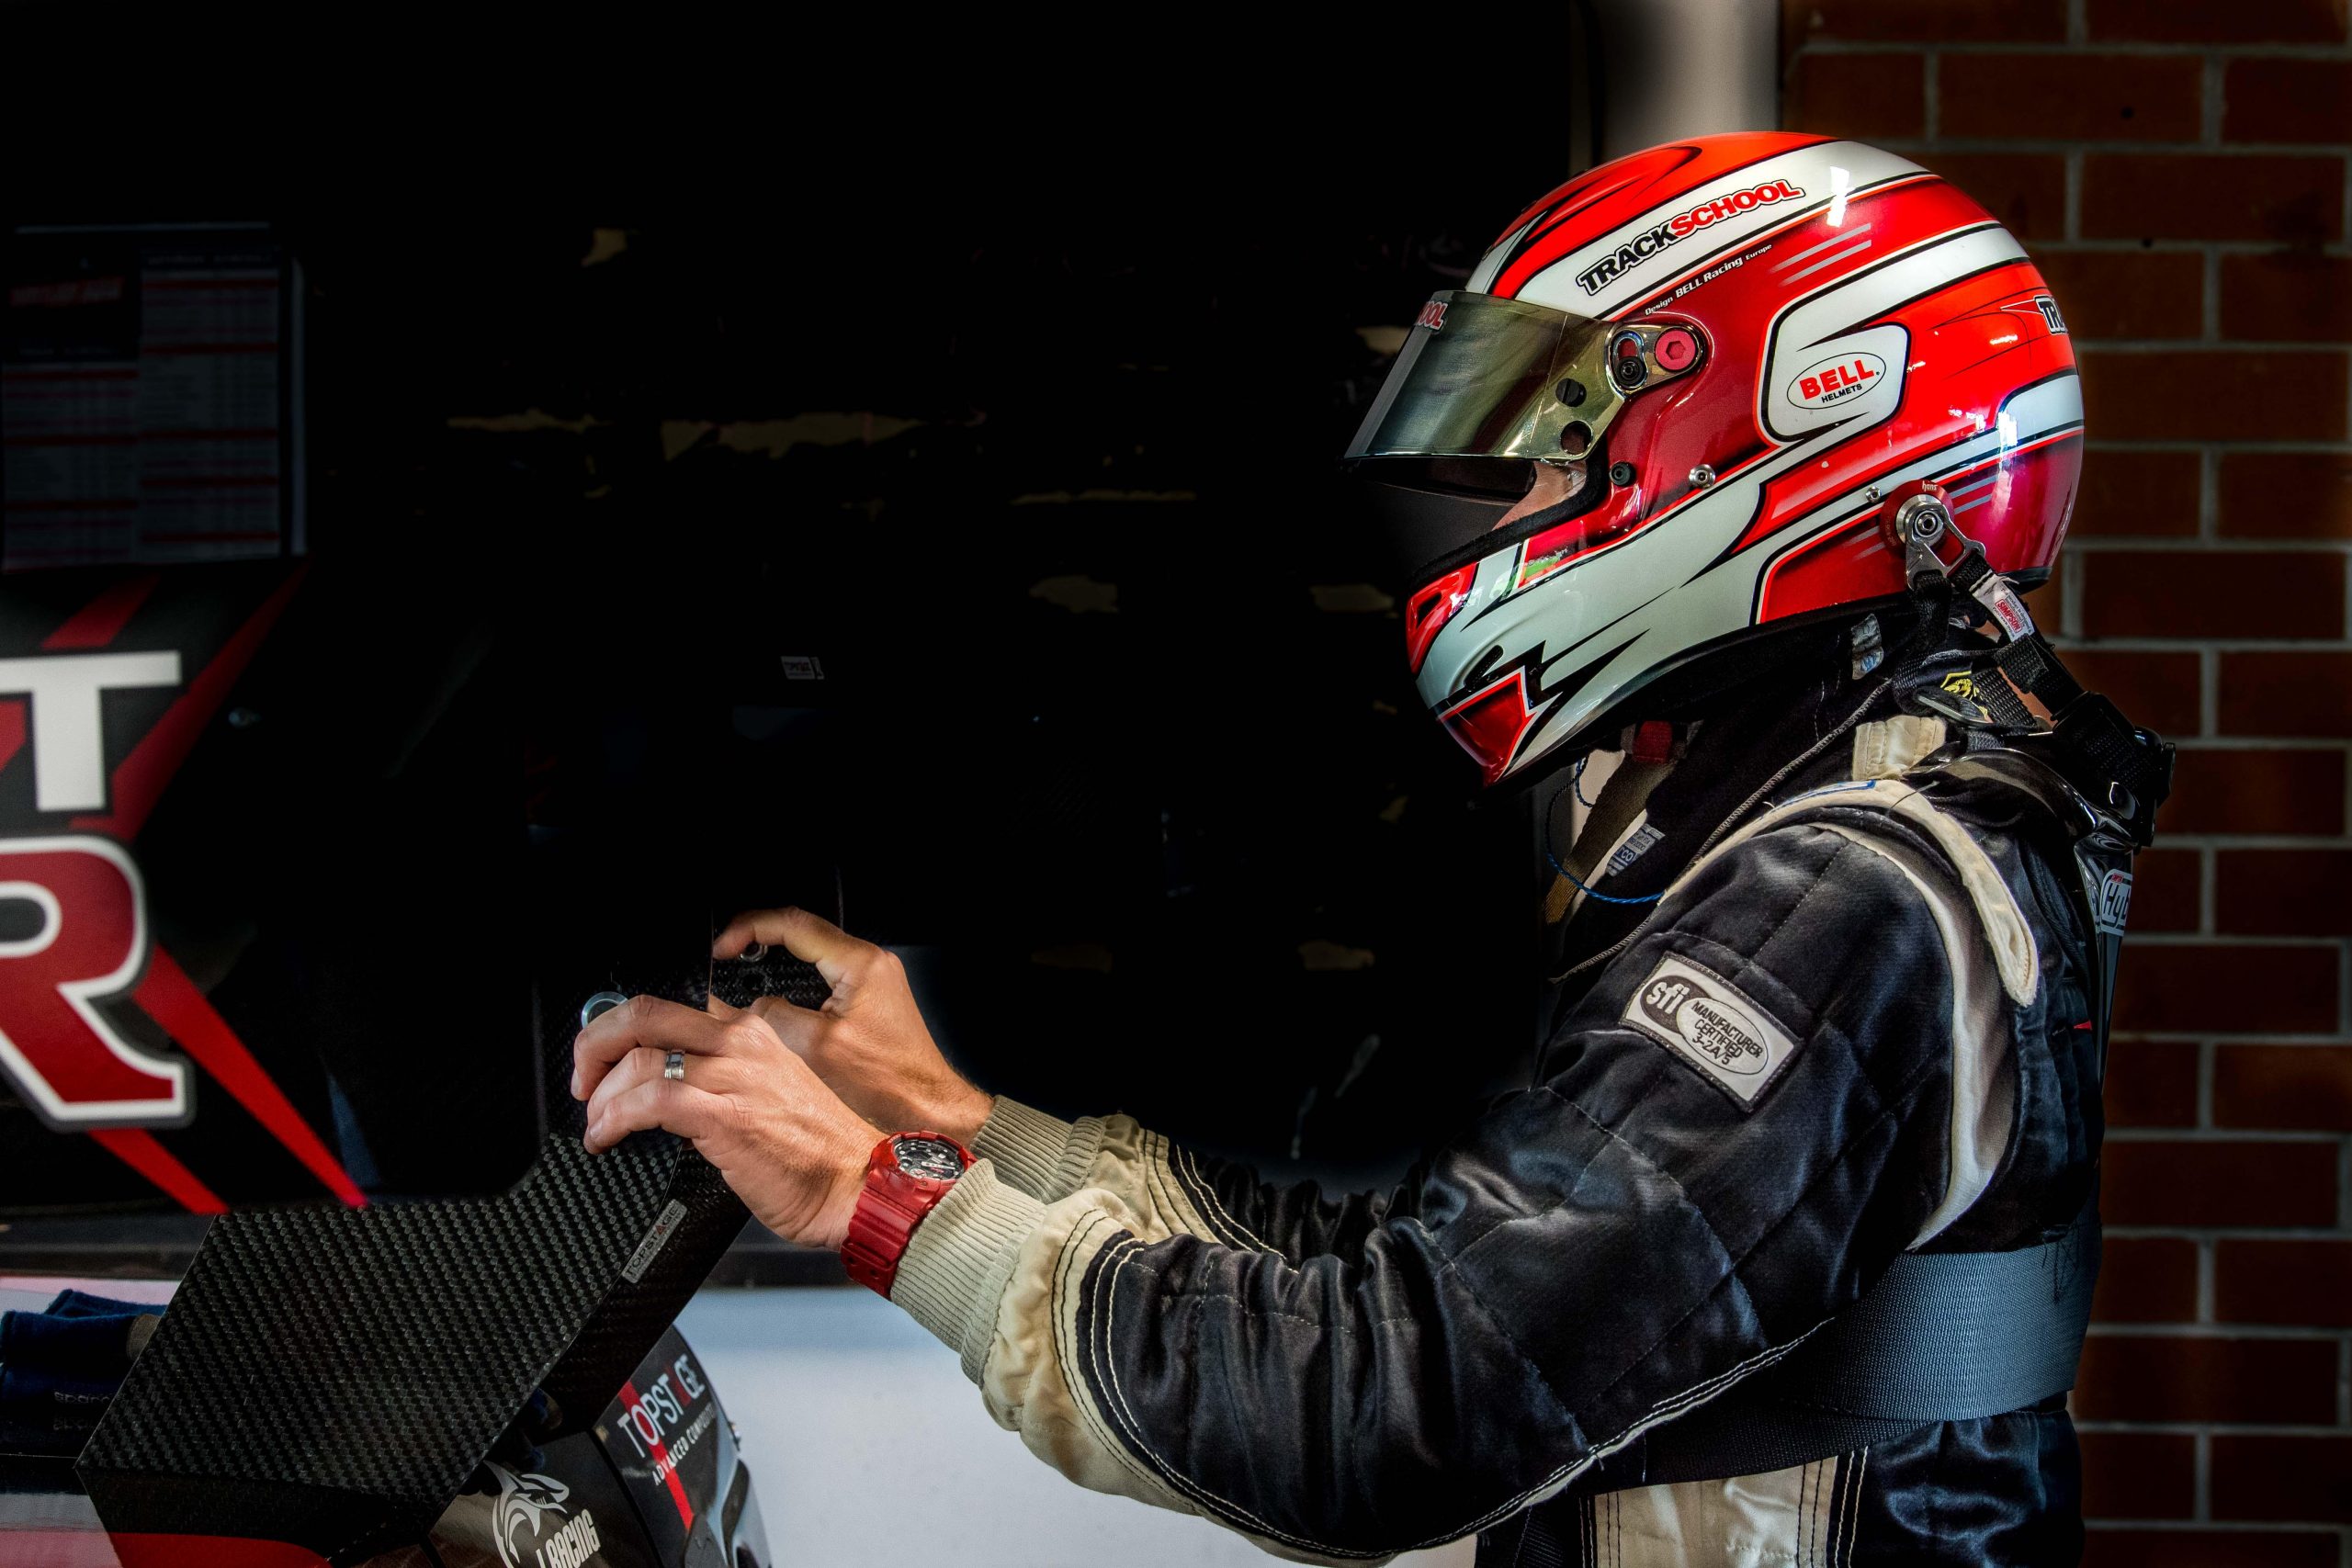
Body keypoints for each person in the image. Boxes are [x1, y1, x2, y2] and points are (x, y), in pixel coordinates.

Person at [570, 133, 2172, 1566]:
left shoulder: (1840, 893)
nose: (1517, 505)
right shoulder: (1841, 817)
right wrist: (956, 1122)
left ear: (1791, 420)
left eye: (1555, 452)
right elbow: (1441, 1281)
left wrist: (862, 1195)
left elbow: (1406, 1404)